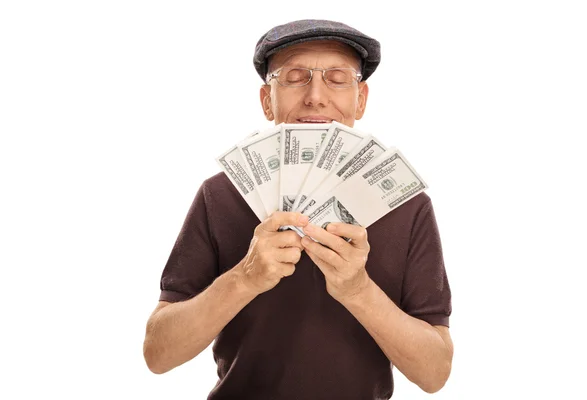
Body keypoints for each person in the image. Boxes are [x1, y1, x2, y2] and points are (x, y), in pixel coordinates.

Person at [143, 19, 453, 400]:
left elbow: (435, 373)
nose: (316, 96)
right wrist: (246, 278)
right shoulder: (220, 195)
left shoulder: (406, 204)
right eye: (294, 77)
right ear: (266, 99)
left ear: (361, 98)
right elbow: (158, 354)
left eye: (338, 78)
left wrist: (357, 290)